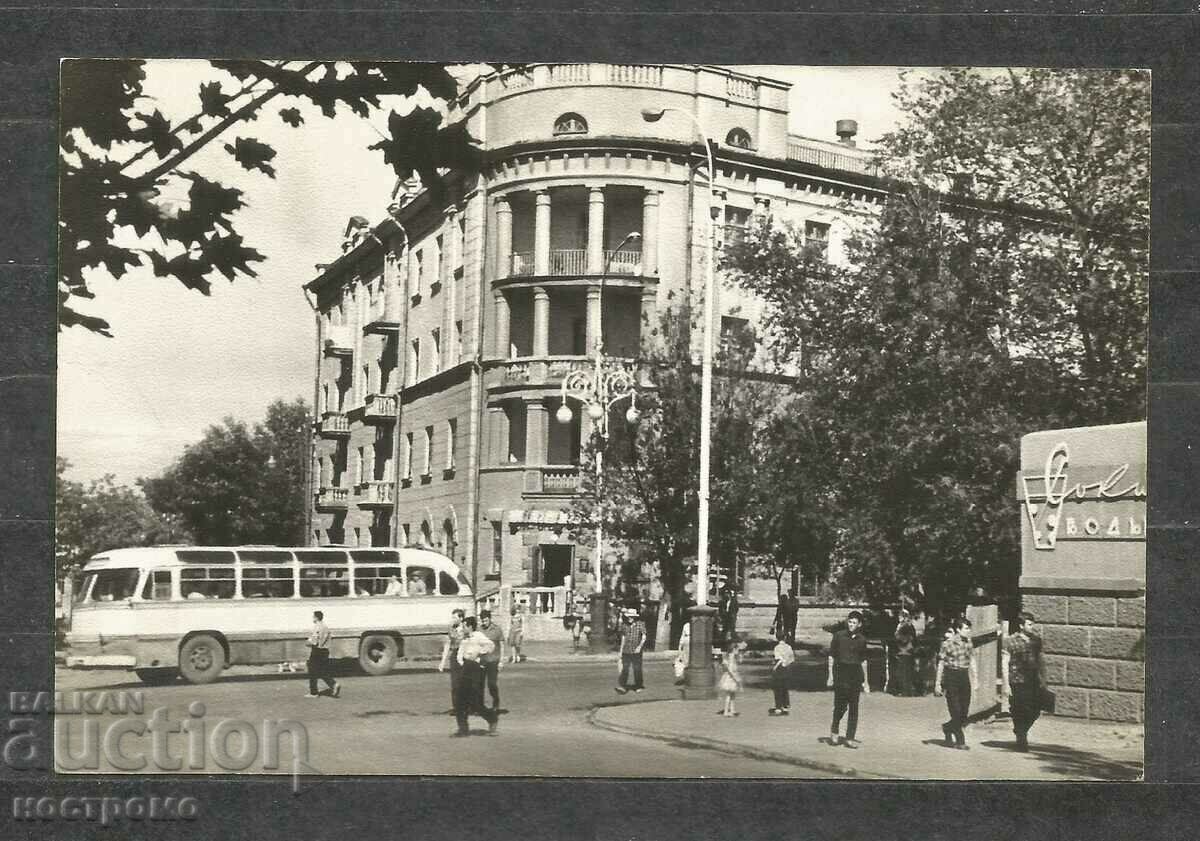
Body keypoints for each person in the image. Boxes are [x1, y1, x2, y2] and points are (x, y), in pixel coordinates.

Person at [1003, 611, 1046, 751]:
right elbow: (1005, 662)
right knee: (1020, 708)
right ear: (1021, 625)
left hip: (1033, 679)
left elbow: (1040, 660)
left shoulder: (1036, 640)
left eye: (1033, 624)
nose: (1032, 627)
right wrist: (1006, 684)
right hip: (1017, 679)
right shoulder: (1010, 640)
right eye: (1029, 624)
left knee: (1036, 709)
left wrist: (1043, 679)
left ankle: (1020, 730)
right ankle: (1021, 737)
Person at [827, 610, 869, 748]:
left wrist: (866, 681)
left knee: (854, 708)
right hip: (841, 674)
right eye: (849, 622)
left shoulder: (862, 640)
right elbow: (831, 656)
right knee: (840, 706)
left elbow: (863, 661)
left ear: (859, 624)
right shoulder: (839, 636)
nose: (851, 625)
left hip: (855, 676)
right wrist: (830, 676)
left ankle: (850, 738)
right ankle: (834, 730)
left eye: (854, 623)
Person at [935, 617, 979, 749]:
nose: (968, 631)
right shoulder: (947, 644)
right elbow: (941, 663)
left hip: (964, 677)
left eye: (969, 628)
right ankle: (960, 740)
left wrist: (975, 679)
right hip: (951, 677)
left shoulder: (969, 643)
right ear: (958, 630)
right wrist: (937, 683)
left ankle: (947, 727)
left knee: (964, 712)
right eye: (966, 628)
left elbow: (972, 660)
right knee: (955, 709)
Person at [454, 616, 498, 737]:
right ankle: (463, 729)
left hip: (476, 669)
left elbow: (491, 645)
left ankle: (492, 719)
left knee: (475, 703)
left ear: (470, 626)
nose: (462, 628)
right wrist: (462, 663)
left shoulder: (478, 636)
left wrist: (479, 653)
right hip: (465, 669)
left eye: (464, 626)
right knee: (459, 701)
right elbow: (459, 655)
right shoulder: (464, 639)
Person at [304, 610, 340, 699]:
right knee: (321, 670)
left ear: (316, 617)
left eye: (313, 616)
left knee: (312, 670)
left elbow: (314, 642)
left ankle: (314, 693)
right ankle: (333, 684)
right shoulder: (325, 627)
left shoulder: (317, 627)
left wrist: (307, 642)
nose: (312, 618)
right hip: (325, 651)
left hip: (317, 651)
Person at [437, 608, 466, 715]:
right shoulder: (451, 629)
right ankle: (457, 707)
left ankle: (466, 706)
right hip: (454, 657)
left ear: (461, 618)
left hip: (465, 656)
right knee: (455, 684)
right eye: (452, 617)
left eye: (455, 617)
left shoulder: (466, 629)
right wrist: (442, 662)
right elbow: (447, 645)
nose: (452, 619)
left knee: (465, 683)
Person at [614, 607, 646, 694]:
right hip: (626, 650)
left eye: (631, 617)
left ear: (635, 617)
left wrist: (640, 647)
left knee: (637, 668)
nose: (630, 618)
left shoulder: (640, 624)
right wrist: (620, 651)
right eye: (628, 617)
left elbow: (644, 636)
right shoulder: (625, 625)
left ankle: (638, 685)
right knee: (625, 668)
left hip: (636, 650)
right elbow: (623, 638)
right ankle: (622, 686)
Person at [478, 609, 505, 714]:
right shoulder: (479, 630)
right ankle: (480, 706)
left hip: (493, 660)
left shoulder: (497, 629)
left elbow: (502, 645)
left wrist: (501, 660)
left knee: (491, 684)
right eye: (482, 621)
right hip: (482, 661)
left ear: (489, 619)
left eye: (485, 620)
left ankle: (496, 702)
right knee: (480, 684)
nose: (484, 623)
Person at [769, 627, 795, 715]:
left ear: (777, 638)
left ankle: (778, 706)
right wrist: (787, 664)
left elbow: (778, 659)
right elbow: (792, 658)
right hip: (786, 669)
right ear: (785, 637)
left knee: (777, 688)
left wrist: (774, 668)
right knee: (785, 687)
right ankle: (785, 705)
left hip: (779, 669)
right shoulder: (788, 647)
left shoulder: (777, 648)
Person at [893, 609, 918, 697]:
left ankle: (906, 691)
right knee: (904, 671)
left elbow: (905, 638)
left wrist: (897, 635)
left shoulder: (906, 626)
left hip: (905, 650)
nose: (899, 618)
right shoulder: (904, 625)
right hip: (903, 650)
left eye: (900, 616)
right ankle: (906, 690)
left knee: (904, 672)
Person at [717, 640, 743, 716]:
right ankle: (726, 711)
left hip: (730, 676)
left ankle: (732, 709)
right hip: (730, 677)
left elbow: (738, 662)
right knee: (729, 695)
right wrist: (736, 678)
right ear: (734, 649)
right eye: (737, 649)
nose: (738, 651)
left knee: (732, 694)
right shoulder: (731, 657)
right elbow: (731, 669)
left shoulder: (730, 656)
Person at [673, 621, 691, 685]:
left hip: (692, 642)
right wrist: (680, 646)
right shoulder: (686, 625)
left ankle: (690, 677)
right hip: (686, 644)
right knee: (685, 661)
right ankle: (686, 677)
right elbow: (683, 636)